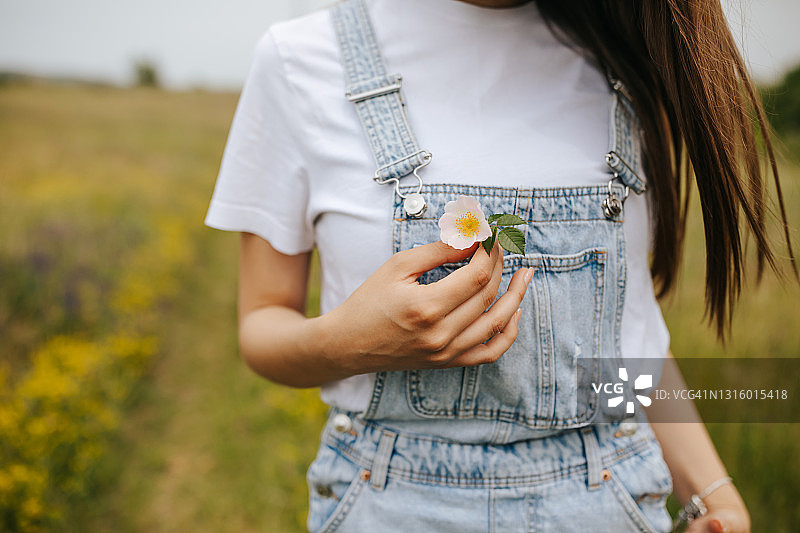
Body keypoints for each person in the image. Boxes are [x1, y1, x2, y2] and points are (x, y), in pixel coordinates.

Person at [206, 0, 794, 531]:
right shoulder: (299, 59)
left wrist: (712, 492)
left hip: (606, 503)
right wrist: (350, 340)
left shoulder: (631, 63)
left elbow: (620, 348)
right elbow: (262, 324)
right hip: (386, 504)